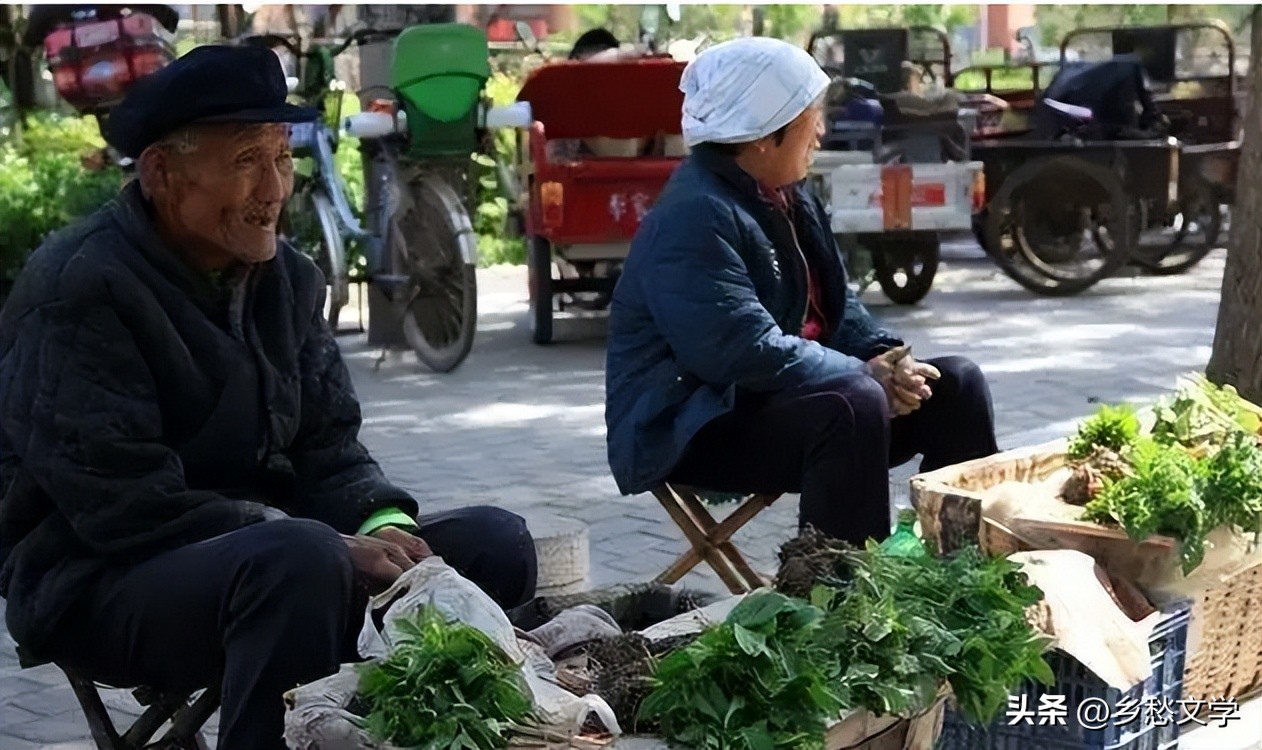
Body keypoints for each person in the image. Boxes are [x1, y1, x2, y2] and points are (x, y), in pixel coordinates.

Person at [0, 45, 536, 749]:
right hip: (100, 580)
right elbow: (123, 506)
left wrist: (376, 527)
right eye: (248, 159)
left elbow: (329, 447)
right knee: (300, 559)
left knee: (493, 544)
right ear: (162, 173)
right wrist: (323, 543)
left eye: (283, 159)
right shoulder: (81, 286)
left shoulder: (290, 281)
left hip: (277, 554)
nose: (274, 188)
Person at [604, 37, 998, 546]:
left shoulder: (788, 195)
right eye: (813, 115)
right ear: (766, 136)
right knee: (852, 403)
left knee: (956, 384)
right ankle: (846, 598)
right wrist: (861, 373)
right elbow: (742, 352)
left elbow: (837, 307)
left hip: (769, 398)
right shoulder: (694, 217)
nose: (822, 130)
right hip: (691, 424)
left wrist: (887, 359)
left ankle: (962, 569)